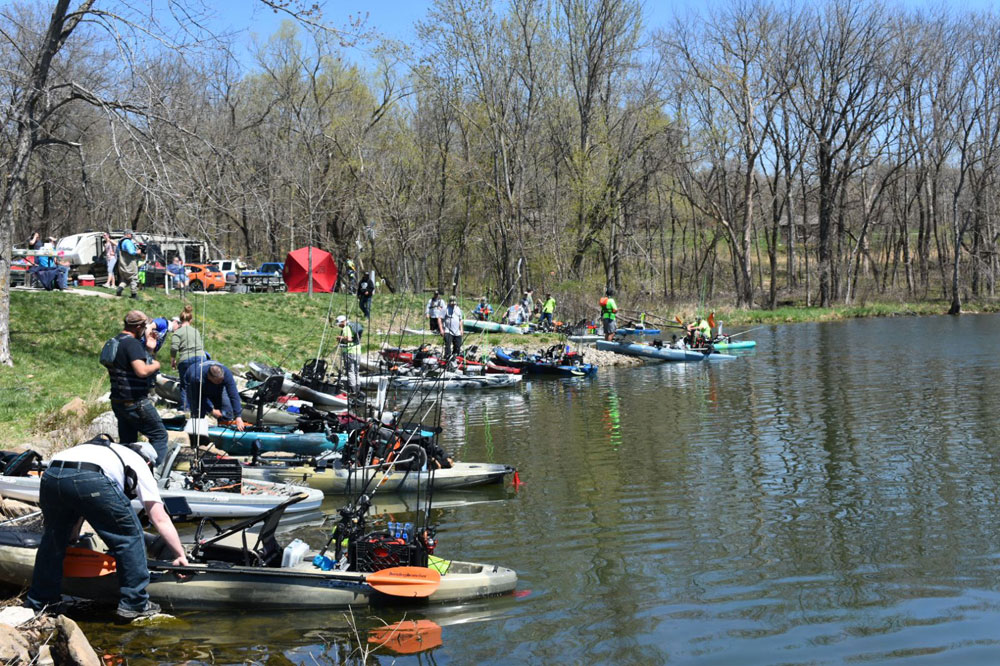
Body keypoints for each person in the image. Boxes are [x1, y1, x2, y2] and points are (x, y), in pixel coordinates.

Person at [25, 436, 188, 620]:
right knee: (130, 537)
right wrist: (179, 554)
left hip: (52, 474)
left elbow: (78, 500)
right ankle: (135, 603)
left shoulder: (102, 451)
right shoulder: (139, 463)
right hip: (90, 477)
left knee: (53, 540)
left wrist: (72, 536)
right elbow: (159, 518)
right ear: (149, 462)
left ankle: (43, 602)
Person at [105, 310, 169, 467]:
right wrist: (156, 365)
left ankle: (126, 473)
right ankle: (154, 474)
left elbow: (128, 366)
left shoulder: (115, 341)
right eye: (145, 326)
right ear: (139, 326)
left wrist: (150, 350)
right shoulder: (132, 343)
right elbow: (141, 371)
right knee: (159, 435)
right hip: (136, 402)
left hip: (118, 401)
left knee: (128, 442)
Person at [185, 361, 245, 429]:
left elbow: (233, 394)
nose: (220, 382)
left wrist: (238, 416)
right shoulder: (197, 378)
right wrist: (211, 410)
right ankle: (196, 430)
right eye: (218, 381)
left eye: (222, 380)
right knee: (198, 411)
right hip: (196, 385)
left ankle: (223, 428)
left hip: (217, 388)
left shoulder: (226, 374)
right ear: (209, 377)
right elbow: (197, 398)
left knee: (227, 409)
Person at [171, 305, 206, 411]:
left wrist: (173, 359)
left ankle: (185, 408)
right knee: (199, 383)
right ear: (191, 319)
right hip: (201, 358)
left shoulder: (177, 332)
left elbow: (174, 347)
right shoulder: (196, 331)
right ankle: (201, 407)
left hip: (185, 359)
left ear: (180, 320)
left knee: (185, 384)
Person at [335, 315, 361, 392]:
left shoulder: (346, 328)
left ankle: (352, 390)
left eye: (339, 324)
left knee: (350, 371)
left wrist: (340, 338)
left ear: (343, 322)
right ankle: (357, 390)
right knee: (356, 371)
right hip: (357, 351)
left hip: (349, 352)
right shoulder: (353, 326)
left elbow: (349, 339)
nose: (339, 326)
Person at [116, 230, 143, 299]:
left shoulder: (120, 242)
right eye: (131, 234)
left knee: (125, 279)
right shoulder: (127, 241)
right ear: (127, 234)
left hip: (122, 263)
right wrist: (138, 252)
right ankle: (134, 294)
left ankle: (120, 288)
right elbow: (131, 252)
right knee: (134, 277)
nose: (132, 235)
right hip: (129, 263)